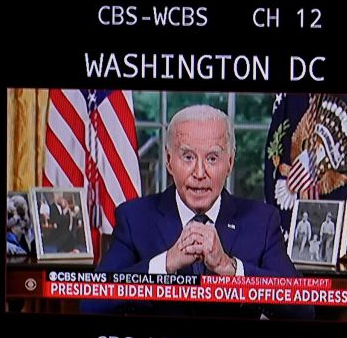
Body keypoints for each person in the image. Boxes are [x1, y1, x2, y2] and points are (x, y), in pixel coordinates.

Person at [84, 104, 311, 319]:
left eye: (212, 158)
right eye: (188, 157)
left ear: (229, 163)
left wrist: (230, 268)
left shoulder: (261, 221)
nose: (199, 173)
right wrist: (165, 264)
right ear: (169, 161)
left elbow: (303, 307)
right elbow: (91, 303)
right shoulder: (134, 218)